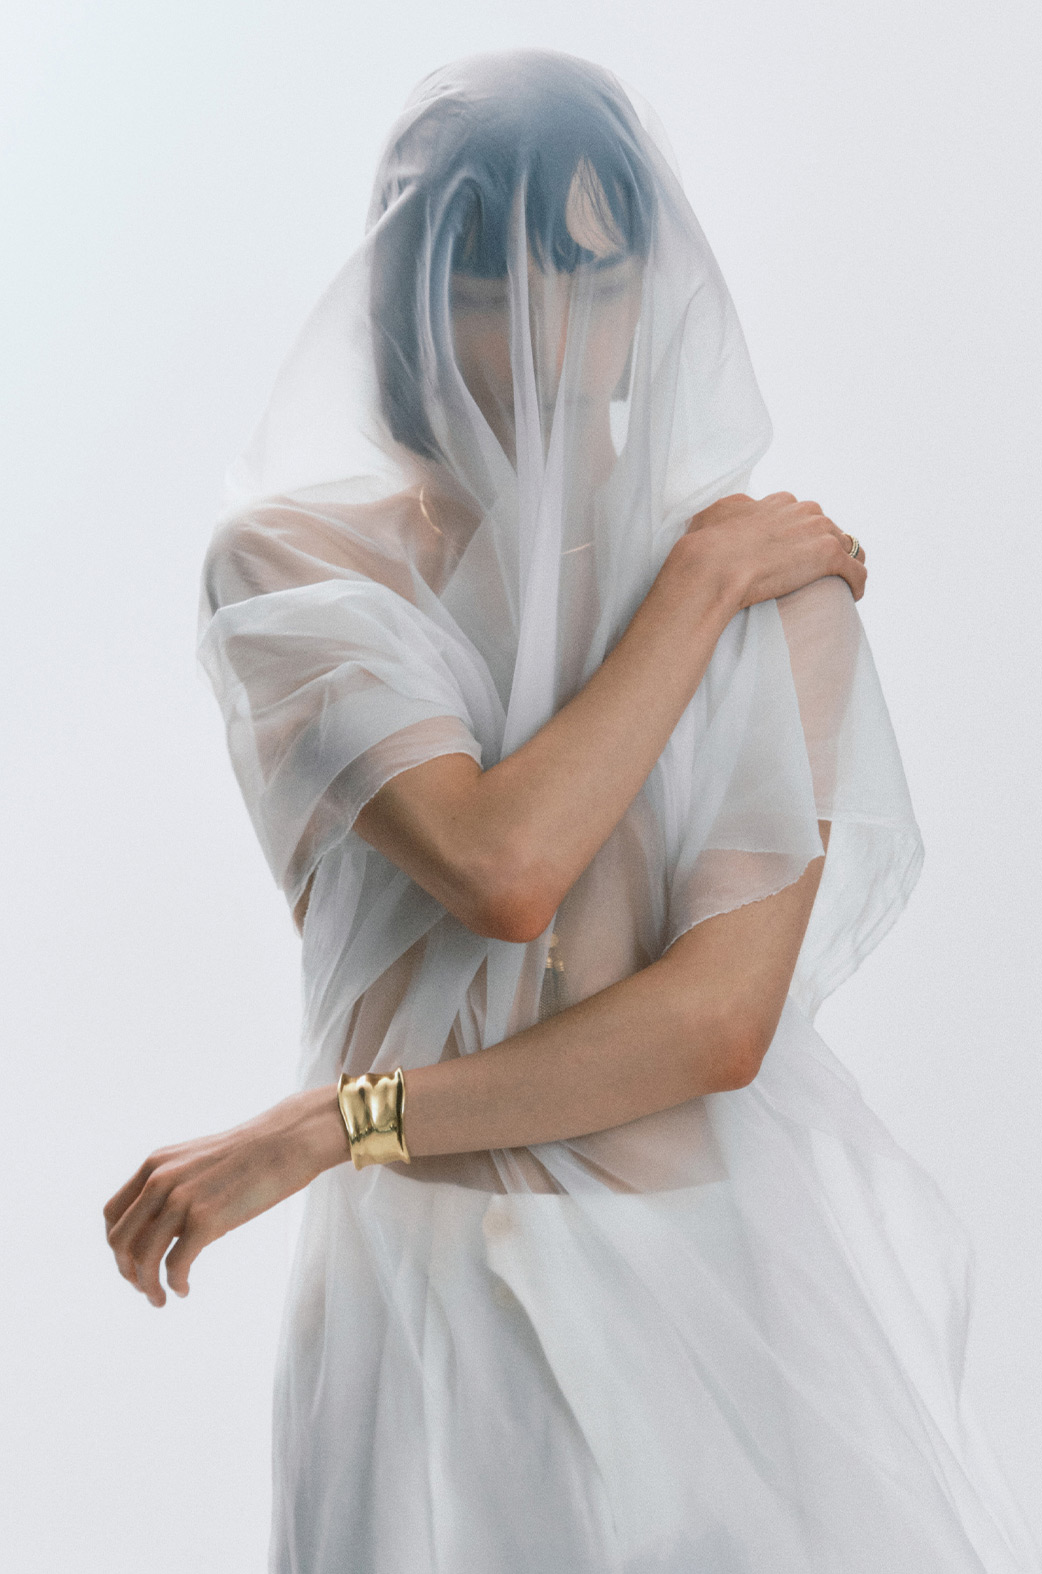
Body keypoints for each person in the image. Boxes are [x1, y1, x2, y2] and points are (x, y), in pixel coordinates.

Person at [103, 49, 1040, 1573]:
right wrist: (696, 586)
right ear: (402, 299)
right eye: (486, 282)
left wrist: (337, 1121)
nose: (544, 335)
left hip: (704, 1301)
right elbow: (503, 862)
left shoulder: (777, 600)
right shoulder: (292, 569)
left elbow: (714, 1024)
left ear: (649, 295)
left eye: (591, 277)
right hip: (412, 1316)